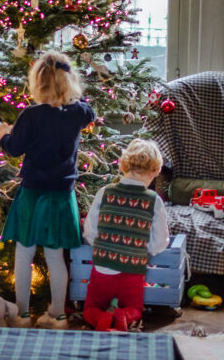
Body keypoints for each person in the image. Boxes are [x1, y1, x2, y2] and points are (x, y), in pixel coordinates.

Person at [0, 51, 95, 329]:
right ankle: (57, 314)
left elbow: (15, 149)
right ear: (70, 81)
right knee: (55, 256)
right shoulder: (79, 112)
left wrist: (4, 135)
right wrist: (71, 94)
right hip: (62, 195)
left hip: (33, 193)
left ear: (37, 83)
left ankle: (22, 314)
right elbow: (89, 109)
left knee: (24, 253)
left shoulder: (31, 115)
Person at [82, 138, 170, 332]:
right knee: (135, 308)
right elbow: (159, 241)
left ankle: (100, 317)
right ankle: (124, 315)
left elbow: (90, 231)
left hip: (103, 269)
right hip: (133, 271)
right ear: (155, 172)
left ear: (122, 165)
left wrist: (102, 243)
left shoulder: (105, 192)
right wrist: (142, 249)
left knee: (90, 309)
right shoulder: (153, 200)